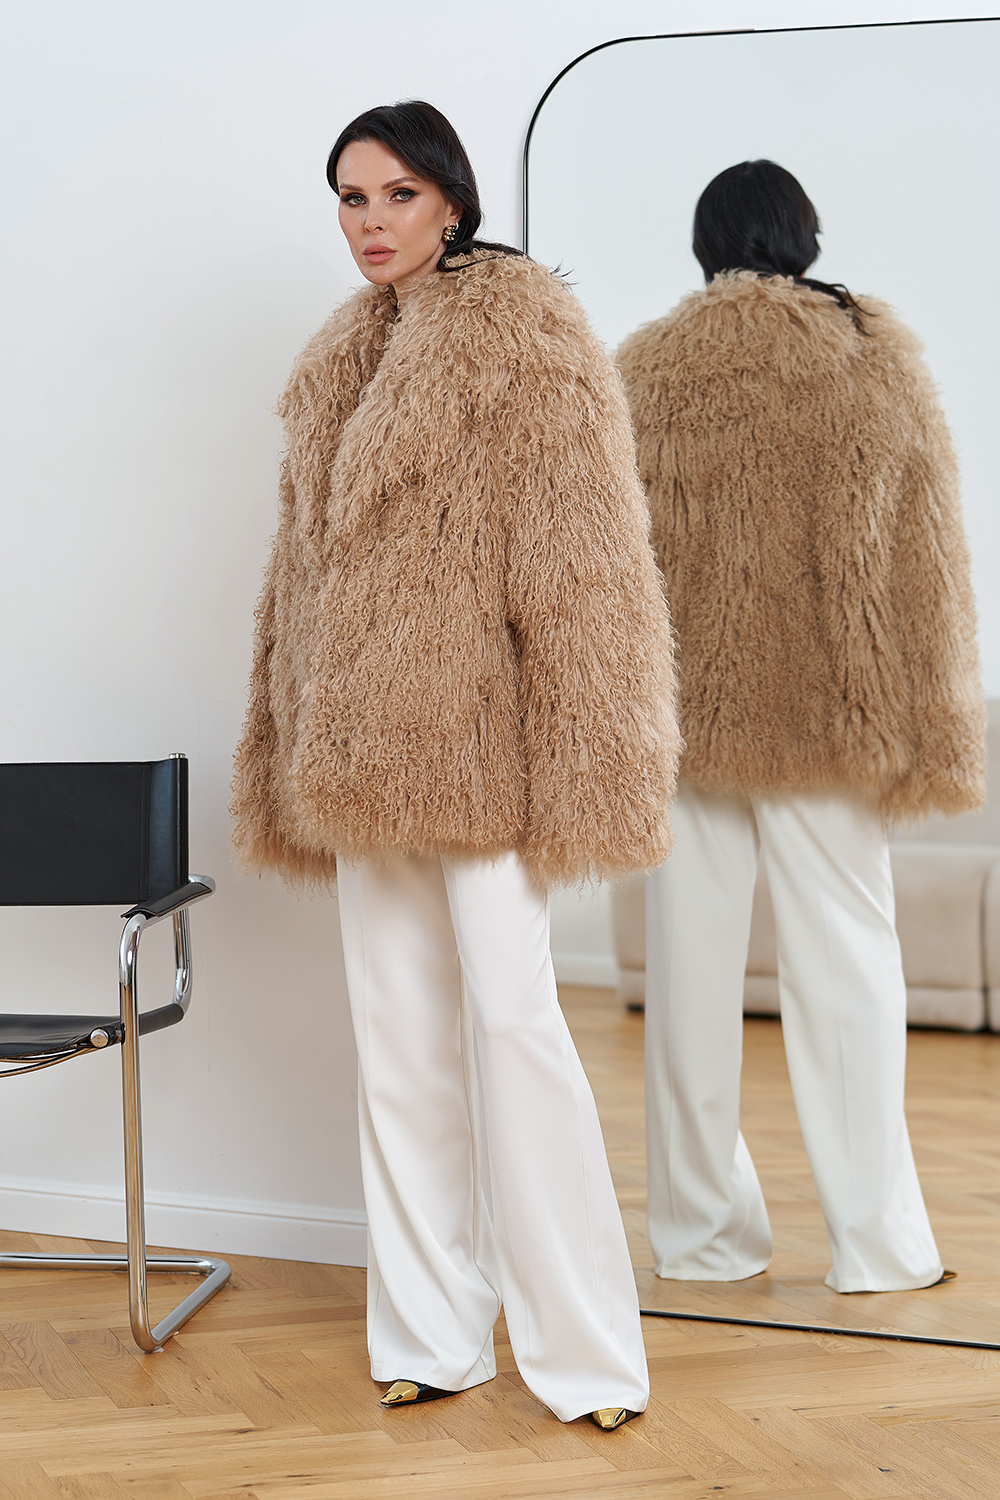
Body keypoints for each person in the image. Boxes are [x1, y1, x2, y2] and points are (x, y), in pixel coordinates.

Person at [231, 100, 680, 1426]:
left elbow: (589, 567)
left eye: (398, 195)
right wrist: (288, 729)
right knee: (399, 1047)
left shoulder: (530, 340)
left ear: (453, 203)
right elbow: (298, 584)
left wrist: (590, 761)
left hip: (485, 750)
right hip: (358, 756)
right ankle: (432, 1334)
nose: (371, 222)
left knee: (516, 1032)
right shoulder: (341, 358)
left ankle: (588, 1356)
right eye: (350, 197)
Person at [616, 159, 984, 1294]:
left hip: (686, 719)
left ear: (704, 245)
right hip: (830, 714)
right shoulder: (869, 355)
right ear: (803, 238)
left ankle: (700, 1240)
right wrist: (937, 722)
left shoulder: (642, 368)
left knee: (687, 986)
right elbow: (928, 558)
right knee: (850, 974)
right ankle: (879, 1247)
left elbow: (611, 572)